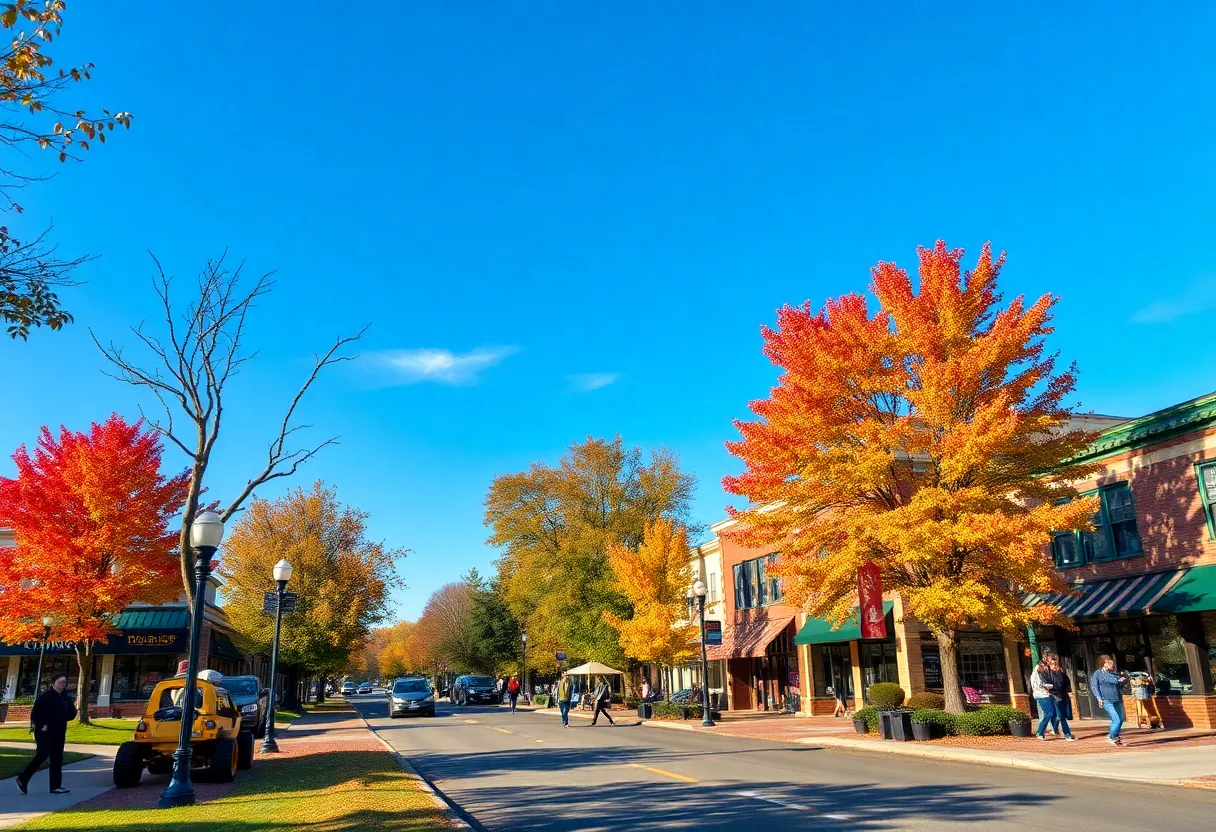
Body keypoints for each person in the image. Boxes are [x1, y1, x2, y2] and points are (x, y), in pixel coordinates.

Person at [15, 672, 76, 796]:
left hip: (59, 731)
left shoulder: (65, 697)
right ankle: (22, 779)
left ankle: (55, 786)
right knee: (42, 754)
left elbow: (71, 714)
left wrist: (72, 709)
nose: (62, 685)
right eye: (60, 682)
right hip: (45, 731)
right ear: (53, 683)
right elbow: (35, 714)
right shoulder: (45, 697)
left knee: (57, 758)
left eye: (64, 682)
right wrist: (41, 724)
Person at [1092, 654, 1130, 746]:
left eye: (1109, 660)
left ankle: (1115, 736)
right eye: (1106, 661)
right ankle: (1111, 736)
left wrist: (1123, 680)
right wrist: (1099, 698)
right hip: (1107, 700)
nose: (1109, 662)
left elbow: (1119, 684)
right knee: (1116, 719)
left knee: (1121, 719)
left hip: (1117, 698)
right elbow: (1095, 687)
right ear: (1102, 663)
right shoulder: (1098, 673)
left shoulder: (1114, 673)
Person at [1043, 654, 1075, 741]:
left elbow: (1066, 683)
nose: (1054, 665)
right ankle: (1067, 734)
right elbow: (1048, 685)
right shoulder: (1047, 674)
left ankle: (1055, 728)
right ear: (1049, 665)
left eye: (1055, 664)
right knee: (1062, 716)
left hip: (1063, 695)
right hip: (1055, 696)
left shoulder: (1061, 673)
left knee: (1062, 715)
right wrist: (1050, 688)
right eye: (1053, 664)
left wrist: (1069, 691)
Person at [1029, 655, 1055, 740]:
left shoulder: (1040, 674)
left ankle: (1042, 732)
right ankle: (1040, 732)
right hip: (1041, 695)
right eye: (1043, 666)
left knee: (1049, 713)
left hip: (1044, 694)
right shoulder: (1036, 674)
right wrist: (1048, 686)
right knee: (1049, 713)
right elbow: (1038, 686)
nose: (1045, 667)